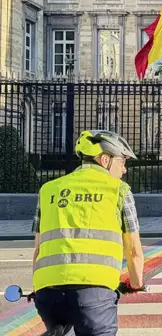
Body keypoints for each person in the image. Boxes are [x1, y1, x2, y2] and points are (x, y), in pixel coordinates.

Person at [31, 130, 146, 336]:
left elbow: (39, 249)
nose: (124, 169)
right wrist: (137, 284)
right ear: (105, 160)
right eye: (122, 162)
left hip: (47, 293)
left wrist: (39, 287)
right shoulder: (118, 190)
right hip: (94, 295)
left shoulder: (48, 190)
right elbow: (134, 251)